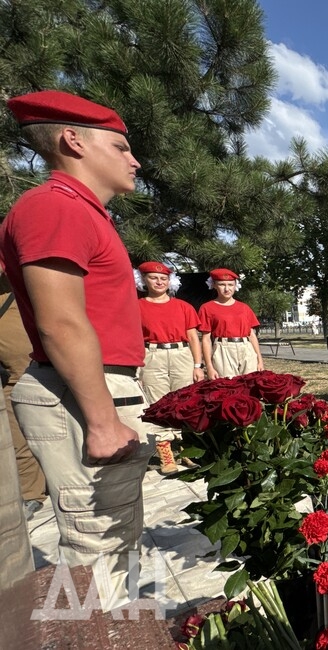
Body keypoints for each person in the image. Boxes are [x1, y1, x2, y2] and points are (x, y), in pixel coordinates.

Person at [0, 90, 154, 607]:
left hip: (91, 388)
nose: (134, 159)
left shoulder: (81, 212)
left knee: (116, 535)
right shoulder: (54, 207)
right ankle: (96, 634)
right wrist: (104, 421)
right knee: (95, 543)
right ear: (73, 140)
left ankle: (116, 629)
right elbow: (62, 323)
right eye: (120, 146)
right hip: (80, 394)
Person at [136, 261, 204, 474]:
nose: (159, 282)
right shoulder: (136, 306)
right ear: (144, 280)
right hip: (152, 354)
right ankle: (166, 454)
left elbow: (193, 336)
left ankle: (187, 449)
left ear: (170, 281)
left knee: (186, 401)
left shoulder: (183, 307)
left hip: (181, 354)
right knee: (158, 403)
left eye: (163, 278)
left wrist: (197, 364)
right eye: (154, 278)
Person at [0, 274, 48, 520]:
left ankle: (36, 489)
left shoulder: (17, 293)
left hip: (31, 371)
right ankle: (31, 492)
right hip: (7, 378)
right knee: (17, 437)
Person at [198, 269, 264, 379]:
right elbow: (206, 339)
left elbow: (251, 335)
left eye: (230, 285)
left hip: (246, 348)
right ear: (214, 285)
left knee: (251, 383)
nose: (227, 289)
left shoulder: (244, 308)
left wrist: (259, 360)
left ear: (235, 286)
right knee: (228, 386)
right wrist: (209, 366)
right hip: (223, 349)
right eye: (222, 284)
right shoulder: (207, 308)